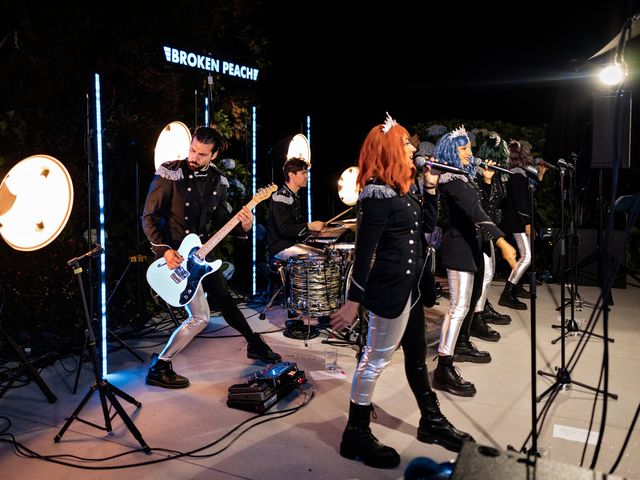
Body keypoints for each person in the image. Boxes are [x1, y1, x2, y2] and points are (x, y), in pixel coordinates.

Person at [330, 114, 473, 470]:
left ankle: (431, 421)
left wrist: (430, 189)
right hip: (388, 291)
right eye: (407, 143)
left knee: (414, 359)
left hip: (408, 290)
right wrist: (352, 302)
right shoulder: (376, 194)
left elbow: (426, 231)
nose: (413, 148)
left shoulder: (402, 190)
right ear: (392, 149)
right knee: (374, 361)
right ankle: (355, 433)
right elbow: (364, 252)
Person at [141, 126, 281, 389]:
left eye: (202, 154)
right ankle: (160, 366)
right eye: (193, 149)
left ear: (214, 155)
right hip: (176, 259)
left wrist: (245, 225)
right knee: (201, 317)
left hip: (203, 254)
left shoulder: (218, 181)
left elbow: (221, 220)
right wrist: (165, 250)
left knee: (226, 301)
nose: (194, 156)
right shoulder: (170, 172)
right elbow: (148, 217)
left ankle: (254, 345)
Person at [431, 126, 517, 398]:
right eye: (464, 149)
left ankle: (459, 346)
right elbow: (475, 211)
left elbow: (483, 207)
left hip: (470, 245)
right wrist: (502, 242)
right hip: (458, 247)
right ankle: (444, 366)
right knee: (458, 306)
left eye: (469, 148)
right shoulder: (450, 180)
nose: (470, 153)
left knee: (466, 302)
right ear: (451, 152)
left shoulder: (463, 178)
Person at [498, 140, 546, 310]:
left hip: (517, 220)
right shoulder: (517, 175)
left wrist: (539, 176)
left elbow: (528, 195)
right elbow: (520, 202)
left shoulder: (518, 173)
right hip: (517, 222)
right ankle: (508, 292)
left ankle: (516, 287)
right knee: (526, 257)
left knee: (524, 255)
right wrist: (527, 223)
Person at [471, 133, 513, 329]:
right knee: (485, 273)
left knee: (489, 272)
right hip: (480, 231)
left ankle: (482, 306)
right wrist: (487, 182)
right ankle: (476, 317)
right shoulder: (479, 176)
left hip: (491, 230)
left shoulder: (495, 176)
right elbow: (480, 207)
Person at [266, 157, 325, 260]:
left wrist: (310, 232)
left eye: (307, 173)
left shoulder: (293, 196)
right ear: (291, 175)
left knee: (324, 253)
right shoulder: (281, 197)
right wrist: (309, 226)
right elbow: (284, 229)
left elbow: (294, 226)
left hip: (291, 244)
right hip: (281, 247)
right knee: (320, 258)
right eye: (303, 173)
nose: (307, 176)